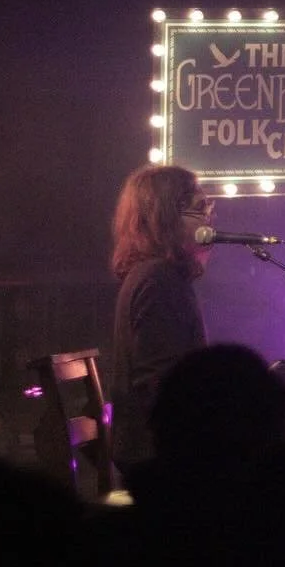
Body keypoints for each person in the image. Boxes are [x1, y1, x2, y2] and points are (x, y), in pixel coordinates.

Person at [109, 163, 214, 475]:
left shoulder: (157, 275)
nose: (208, 217)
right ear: (166, 215)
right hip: (160, 461)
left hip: (157, 450)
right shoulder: (158, 279)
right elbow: (161, 387)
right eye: (199, 207)